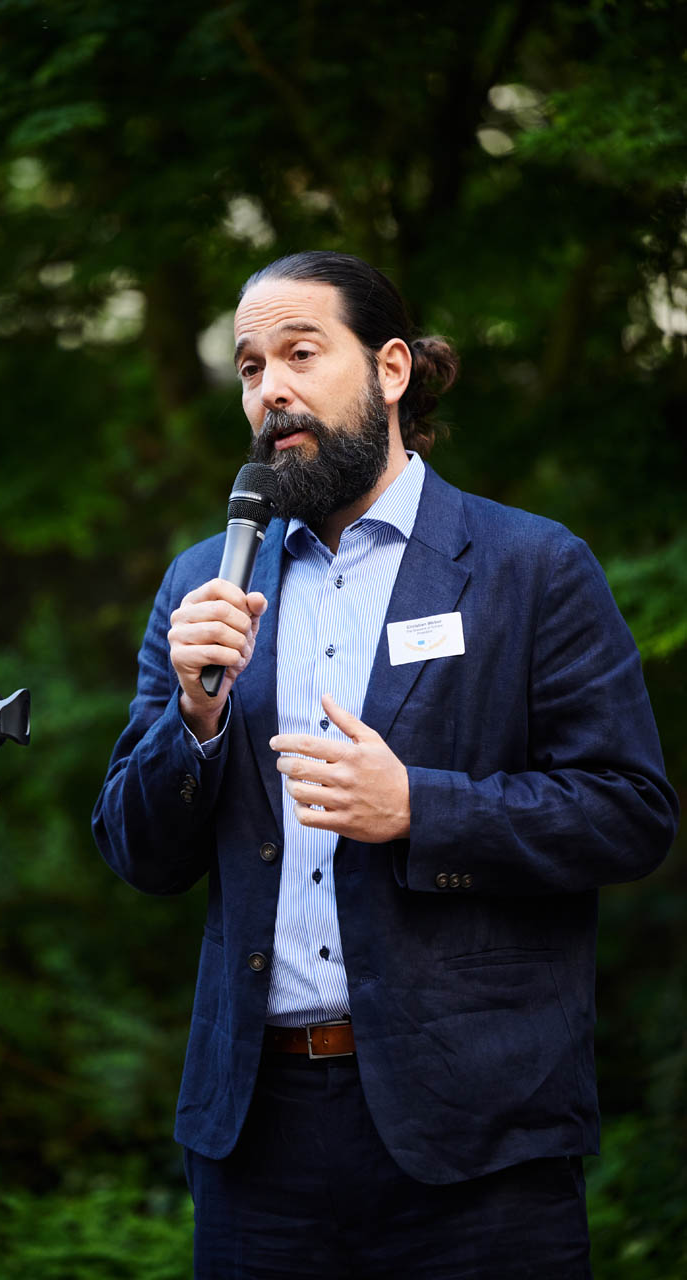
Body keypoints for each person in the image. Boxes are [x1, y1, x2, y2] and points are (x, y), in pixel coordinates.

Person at [92, 251, 678, 1279]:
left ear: (391, 369)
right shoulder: (203, 585)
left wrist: (419, 807)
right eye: (249, 368)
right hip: (257, 1139)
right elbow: (139, 854)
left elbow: (628, 812)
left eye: (300, 353)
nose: (270, 389)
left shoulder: (528, 565)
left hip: (477, 1138)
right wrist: (193, 717)